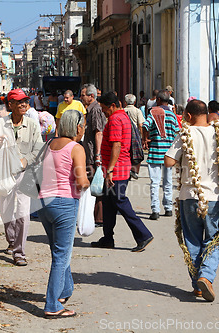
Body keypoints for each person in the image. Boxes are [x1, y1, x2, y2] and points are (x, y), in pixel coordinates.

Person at [164, 99, 219, 301]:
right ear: (206, 113)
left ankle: (198, 284)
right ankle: (206, 277)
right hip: (215, 197)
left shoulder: (185, 133)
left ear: (188, 116)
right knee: (215, 238)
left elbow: (168, 161)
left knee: (192, 239)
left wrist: (185, 157)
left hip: (189, 197)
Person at [38, 109, 90, 319]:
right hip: (64, 203)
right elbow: (80, 181)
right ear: (77, 127)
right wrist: (89, 182)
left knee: (59, 250)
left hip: (44, 203)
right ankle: (52, 304)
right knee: (61, 255)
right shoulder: (76, 148)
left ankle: (65, 290)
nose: (84, 128)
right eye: (83, 125)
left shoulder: (48, 144)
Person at [91, 92, 154, 252]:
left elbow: (117, 145)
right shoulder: (122, 116)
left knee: (120, 202)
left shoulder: (115, 119)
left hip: (116, 169)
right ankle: (107, 238)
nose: (103, 112)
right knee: (108, 203)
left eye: (105, 108)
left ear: (112, 106)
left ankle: (143, 235)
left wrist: (110, 170)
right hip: (117, 168)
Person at [0, 88, 43, 266]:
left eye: (25, 101)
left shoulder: (32, 124)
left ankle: (19, 252)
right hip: (5, 173)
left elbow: (39, 148)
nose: (24, 104)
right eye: (19, 102)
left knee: (23, 213)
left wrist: (27, 160)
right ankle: (12, 241)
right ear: (10, 105)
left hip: (26, 173)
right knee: (6, 210)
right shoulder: (0, 124)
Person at [142, 90, 179, 220]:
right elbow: (177, 133)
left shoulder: (153, 112)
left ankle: (155, 210)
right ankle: (168, 208)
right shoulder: (172, 115)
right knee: (168, 182)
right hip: (169, 154)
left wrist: (145, 139)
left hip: (155, 153)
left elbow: (145, 125)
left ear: (157, 100)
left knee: (155, 182)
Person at [80, 84, 106, 226]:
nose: (81, 97)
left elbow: (98, 132)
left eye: (83, 95)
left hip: (93, 155)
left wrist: (97, 155)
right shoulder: (90, 110)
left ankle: (99, 217)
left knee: (96, 185)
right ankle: (97, 216)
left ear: (91, 96)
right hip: (90, 153)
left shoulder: (95, 110)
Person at [123, 94, 145, 179]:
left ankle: (127, 169)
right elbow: (140, 124)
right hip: (135, 135)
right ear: (135, 102)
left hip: (126, 135)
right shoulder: (137, 111)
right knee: (136, 153)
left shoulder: (123, 110)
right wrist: (142, 136)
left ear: (125, 102)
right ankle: (134, 170)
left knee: (127, 153)